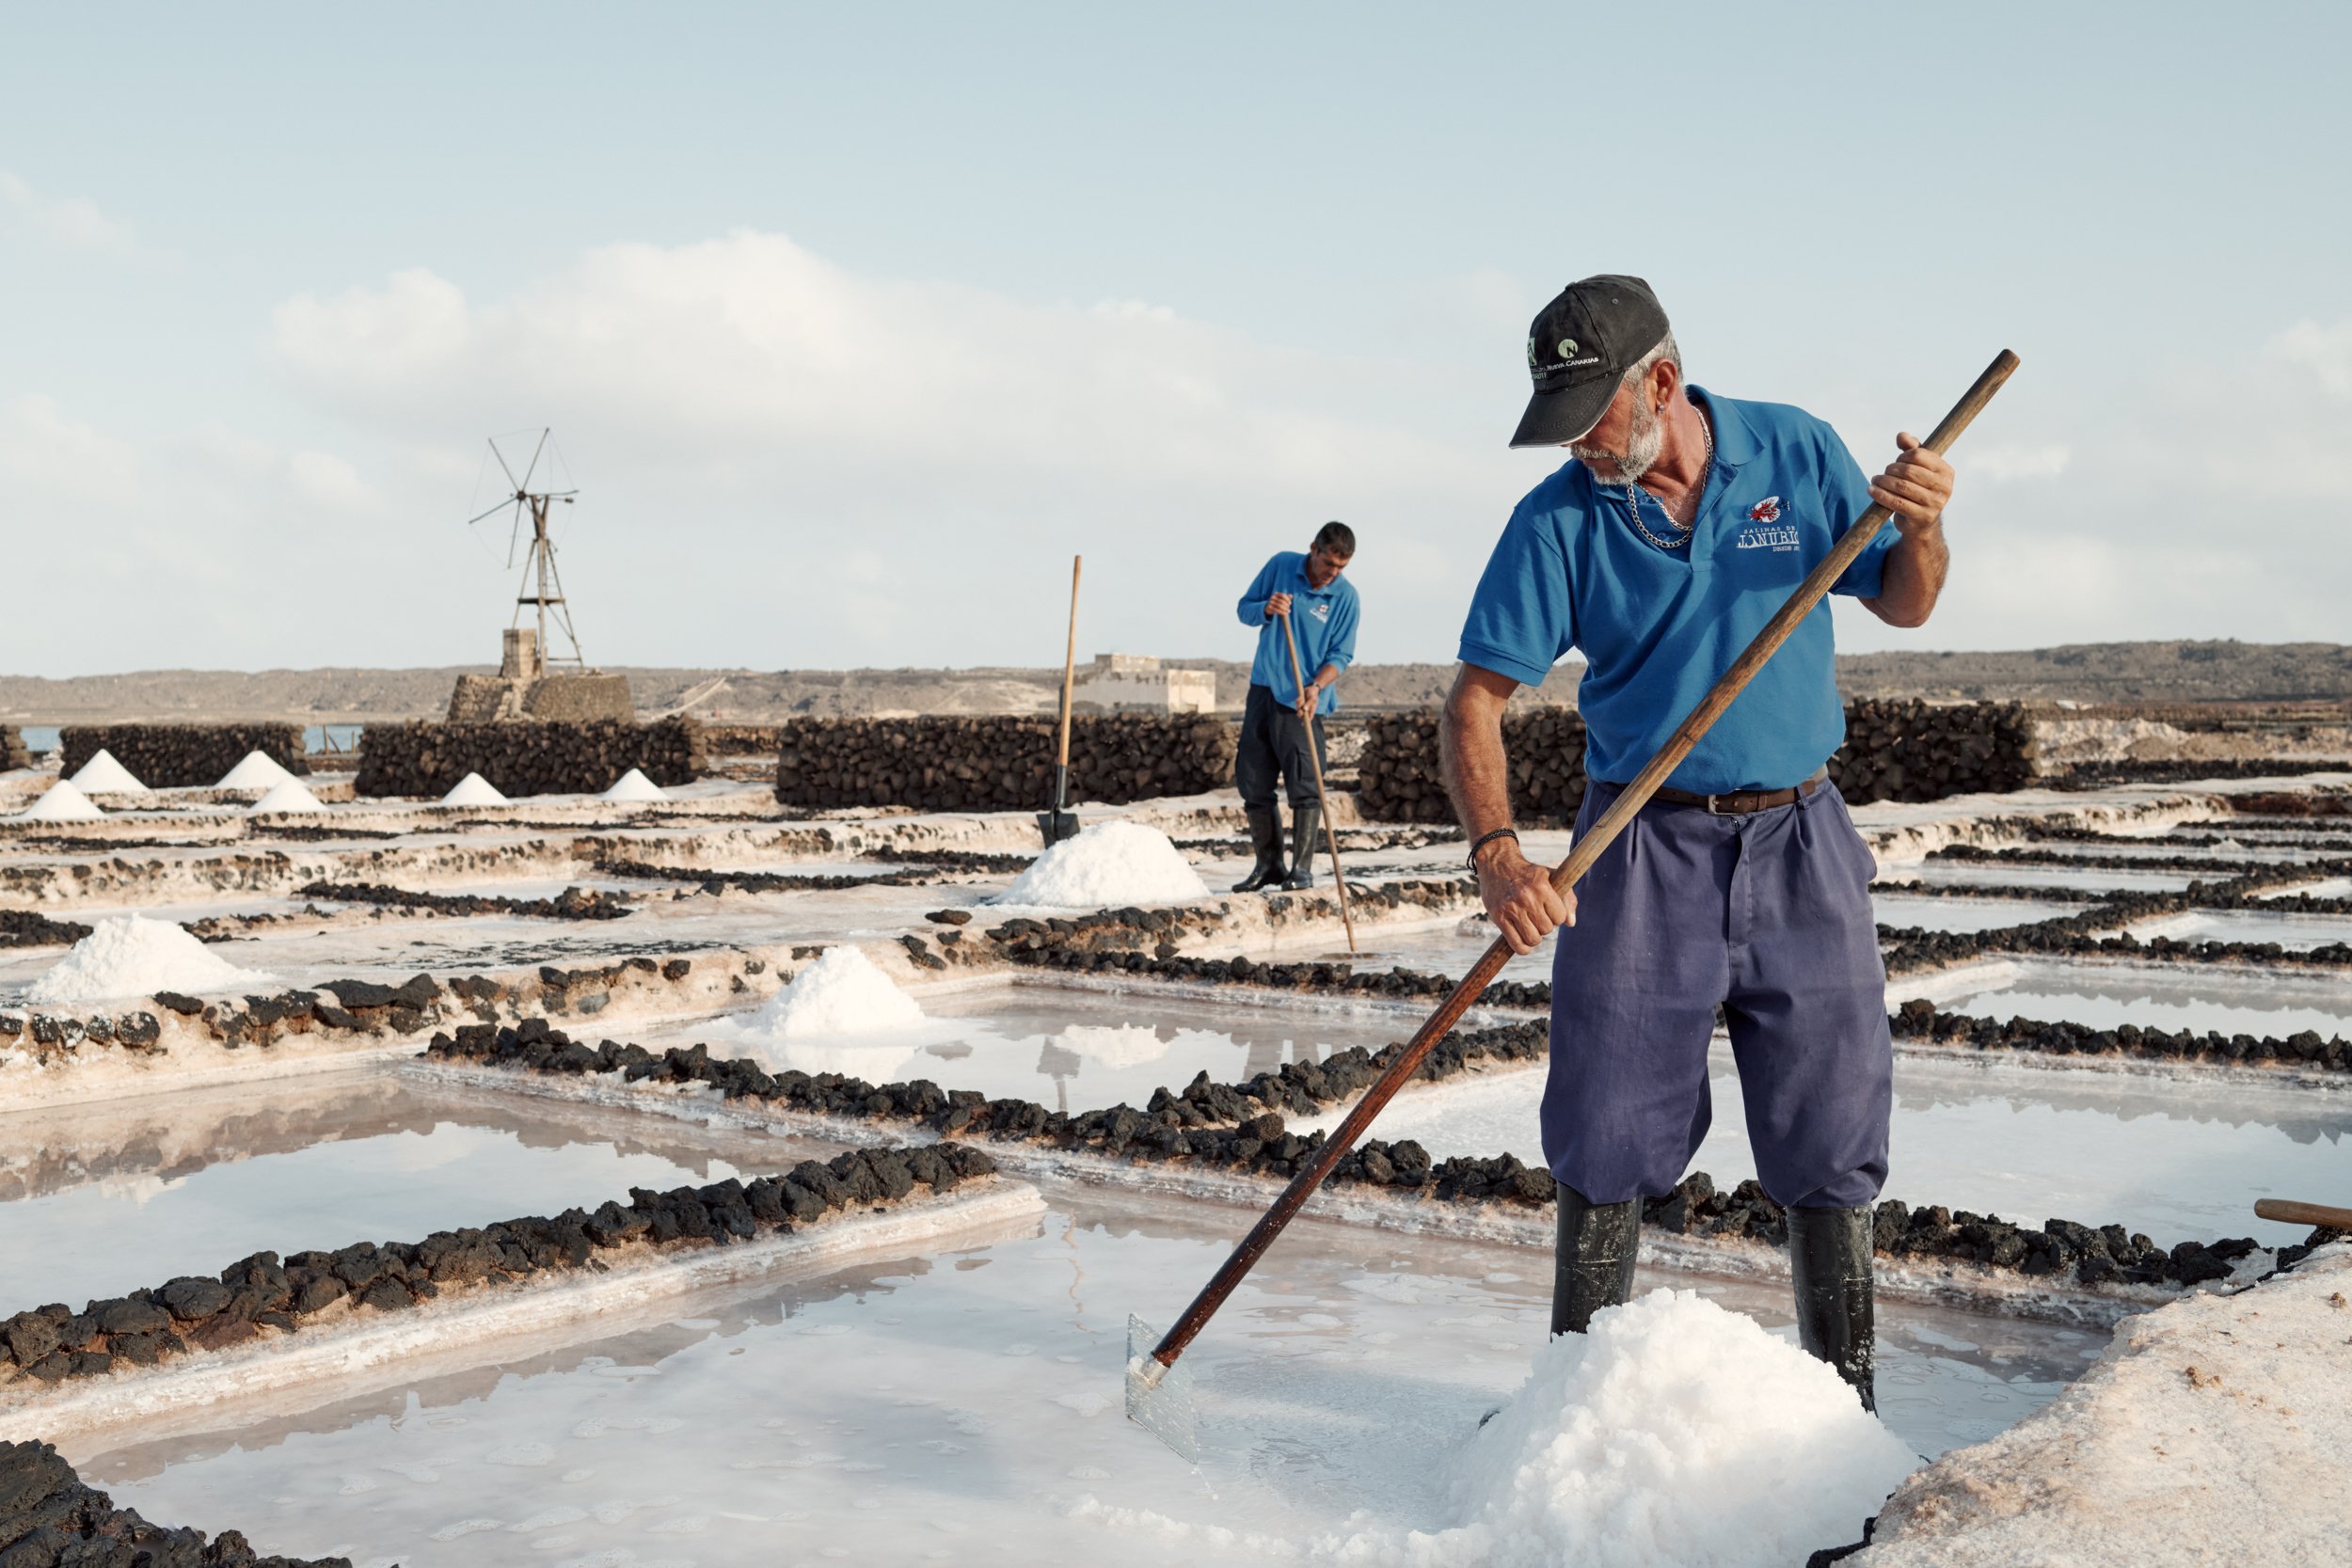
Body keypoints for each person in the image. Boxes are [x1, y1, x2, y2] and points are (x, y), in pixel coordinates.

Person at [1439, 275, 1956, 1411]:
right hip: (1636, 848)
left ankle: (1847, 1409)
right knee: (1606, 1118)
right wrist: (1497, 854)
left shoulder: (1795, 453)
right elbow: (1473, 700)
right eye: (1559, 422)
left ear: (1660, 383)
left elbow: (1907, 602)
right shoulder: (1558, 519)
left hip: (1801, 836)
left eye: (1591, 417)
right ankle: (1574, 1409)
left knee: (1832, 1118)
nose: (1576, 445)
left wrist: (1921, 526)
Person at [1232, 522, 1359, 892]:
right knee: (1254, 782)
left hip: (1304, 700)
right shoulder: (1281, 566)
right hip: (1264, 688)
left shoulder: (1346, 597)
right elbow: (1244, 609)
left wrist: (1317, 686)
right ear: (1313, 549)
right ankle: (1268, 866)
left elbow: (1342, 654)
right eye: (1328, 564)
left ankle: (1301, 870)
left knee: (1305, 786)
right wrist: (1267, 608)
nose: (1332, 574)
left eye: (1340, 568)